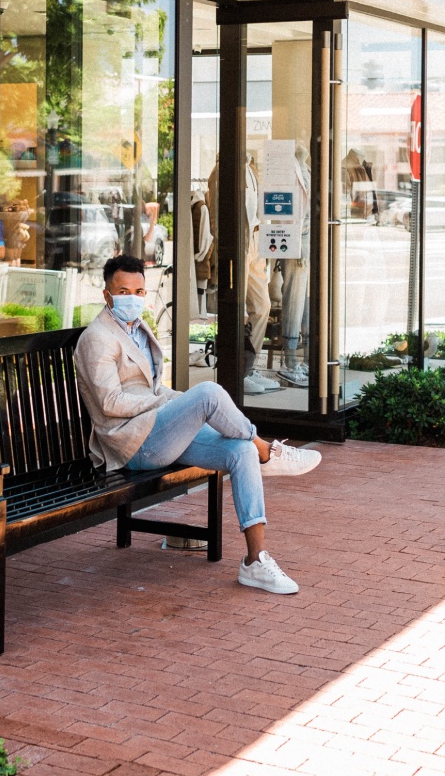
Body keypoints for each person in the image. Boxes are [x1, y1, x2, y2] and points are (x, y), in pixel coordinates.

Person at [74, 254, 321, 596]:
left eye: (139, 291)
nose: (132, 298)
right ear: (107, 294)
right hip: (132, 444)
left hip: (157, 430)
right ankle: (268, 451)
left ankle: (256, 561)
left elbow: (153, 389)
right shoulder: (97, 338)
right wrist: (168, 402)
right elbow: (109, 403)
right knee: (208, 393)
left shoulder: (136, 328)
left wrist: (173, 399)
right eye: (123, 290)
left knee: (238, 451)